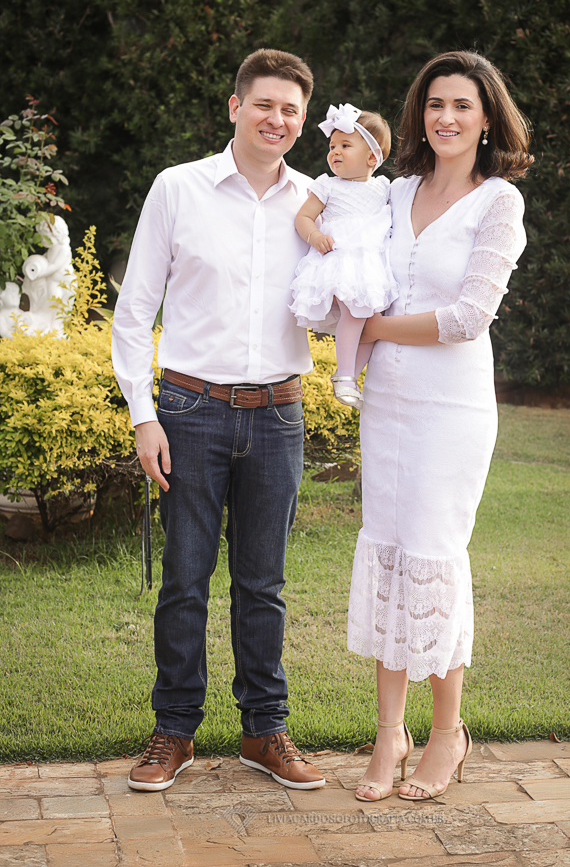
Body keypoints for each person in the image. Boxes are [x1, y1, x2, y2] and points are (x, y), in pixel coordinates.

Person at [111, 48, 326, 793]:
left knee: (263, 584)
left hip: (279, 414)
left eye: (291, 110)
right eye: (264, 104)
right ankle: (173, 731)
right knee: (185, 580)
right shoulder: (179, 188)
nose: (277, 119)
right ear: (235, 107)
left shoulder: (318, 201)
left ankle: (265, 731)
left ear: (303, 120)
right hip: (189, 411)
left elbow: (341, 298)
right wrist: (144, 417)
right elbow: (135, 312)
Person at [347, 50, 532, 802]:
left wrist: (373, 329)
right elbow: (351, 263)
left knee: (432, 555)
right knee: (389, 553)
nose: (445, 117)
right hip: (386, 404)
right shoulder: (393, 193)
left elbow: (466, 318)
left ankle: (447, 732)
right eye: (433, 104)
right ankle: (389, 732)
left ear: (487, 118)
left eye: (461, 105)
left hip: (450, 409)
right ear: (418, 116)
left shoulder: (499, 204)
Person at [289, 104, 397, 410]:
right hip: (340, 260)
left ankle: (349, 377)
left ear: (372, 157)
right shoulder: (327, 186)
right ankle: (346, 375)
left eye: (345, 146)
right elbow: (303, 217)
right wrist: (315, 236)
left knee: (374, 323)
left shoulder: (383, 188)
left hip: (370, 266)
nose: (335, 151)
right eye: (332, 146)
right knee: (355, 313)